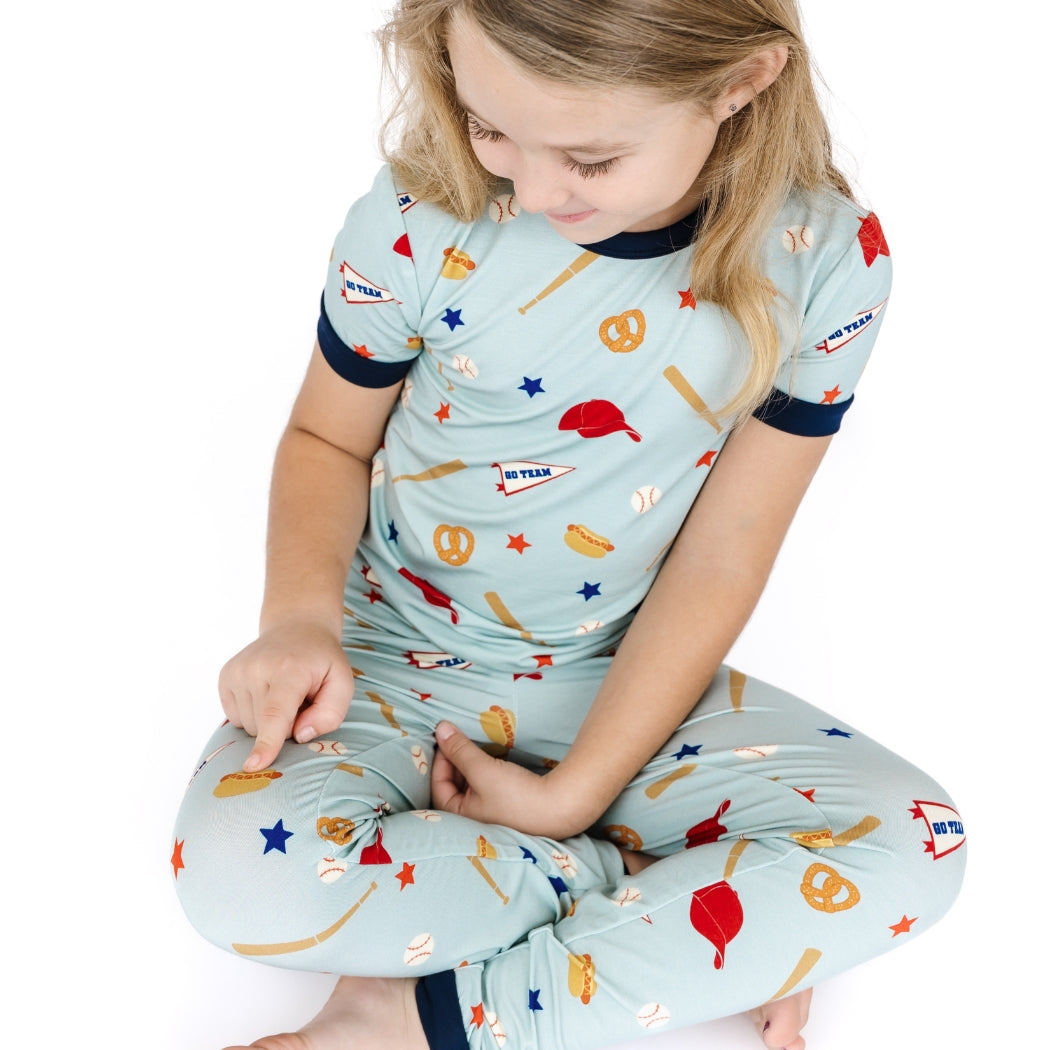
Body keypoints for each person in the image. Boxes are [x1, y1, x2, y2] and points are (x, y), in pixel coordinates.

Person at [171, 2, 965, 1049]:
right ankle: (652, 892)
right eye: (492, 127)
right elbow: (326, 439)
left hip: (622, 682)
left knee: (919, 846)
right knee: (239, 879)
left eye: (590, 159)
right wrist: (299, 620)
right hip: (393, 655)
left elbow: (725, 553)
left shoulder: (827, 259)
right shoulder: (424, 214)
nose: (535, 192)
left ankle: (421, 1015)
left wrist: (575, 794)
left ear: (741, 82)